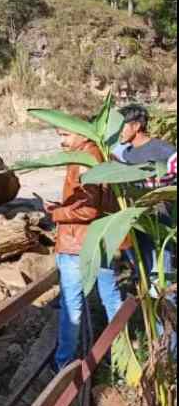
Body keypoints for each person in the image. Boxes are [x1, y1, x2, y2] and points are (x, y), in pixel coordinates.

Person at [49, 127, 126, 371]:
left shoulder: (85, 160)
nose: (62, 141)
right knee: (112, 299)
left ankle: (64, 363)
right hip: (100, 240)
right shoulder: (103, 154)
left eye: (65, 135)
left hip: (76, 244)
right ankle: (123, 356)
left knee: (72, 305)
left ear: (82, 133)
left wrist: (55, 213)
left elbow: (88, 210)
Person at [113, 105, 177, 354]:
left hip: (161, 231)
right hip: (136, 232)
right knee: (146, 284)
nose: (118, 131)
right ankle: (157, 343)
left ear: (137, 125)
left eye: (123, 125)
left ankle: (169, 350)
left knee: (163, 286)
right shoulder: (123, 155)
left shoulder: (164, 151)